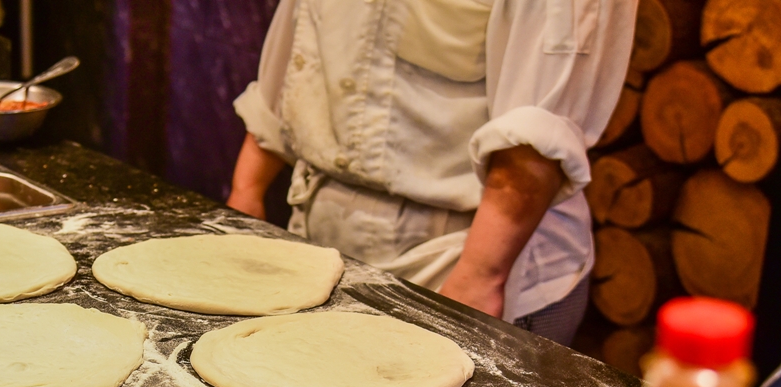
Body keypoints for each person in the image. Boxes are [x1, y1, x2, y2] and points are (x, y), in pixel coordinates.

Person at [227, 0, 638, 344]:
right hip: (319, 241)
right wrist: (247, 192)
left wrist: (476, 283)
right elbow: (301, 39)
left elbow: (536, 134)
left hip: (460, 257)